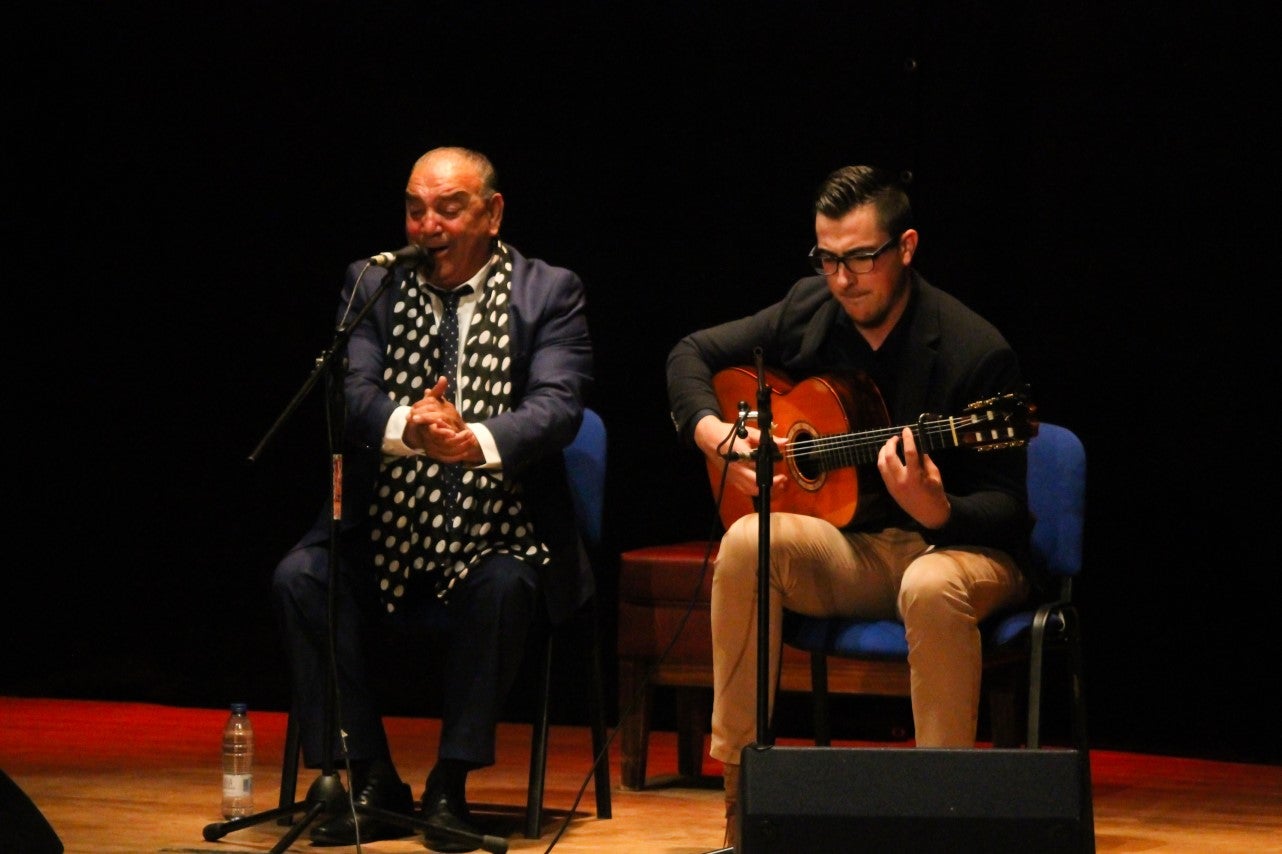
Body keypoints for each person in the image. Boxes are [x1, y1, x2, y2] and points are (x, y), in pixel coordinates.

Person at [665, 164, 1038, 848]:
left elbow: (1011, 512)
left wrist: (937, 508)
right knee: (747, 542)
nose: (843, 279)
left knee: (930, 584)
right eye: (828, 259)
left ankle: (941, 822)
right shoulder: (810, 308)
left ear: (906, 247)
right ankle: (744, 811)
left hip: (958, 552)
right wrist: (714, 434)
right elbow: (690, 353)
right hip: (858, 551)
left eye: (861, 258)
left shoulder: (973, 349)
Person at [272, 146, 593, 851]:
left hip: (500, 525)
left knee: (503, 585)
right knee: (302, 577)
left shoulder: (548, 290)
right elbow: (350, 393)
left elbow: (559, 407)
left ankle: (451, 786)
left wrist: (472, 439)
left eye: (448, 209)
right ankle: (371, 777)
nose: (427, 226)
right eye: (415, 209)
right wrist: (408, 428)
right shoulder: (372, 283)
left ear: (492, 213)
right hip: (385, 523)